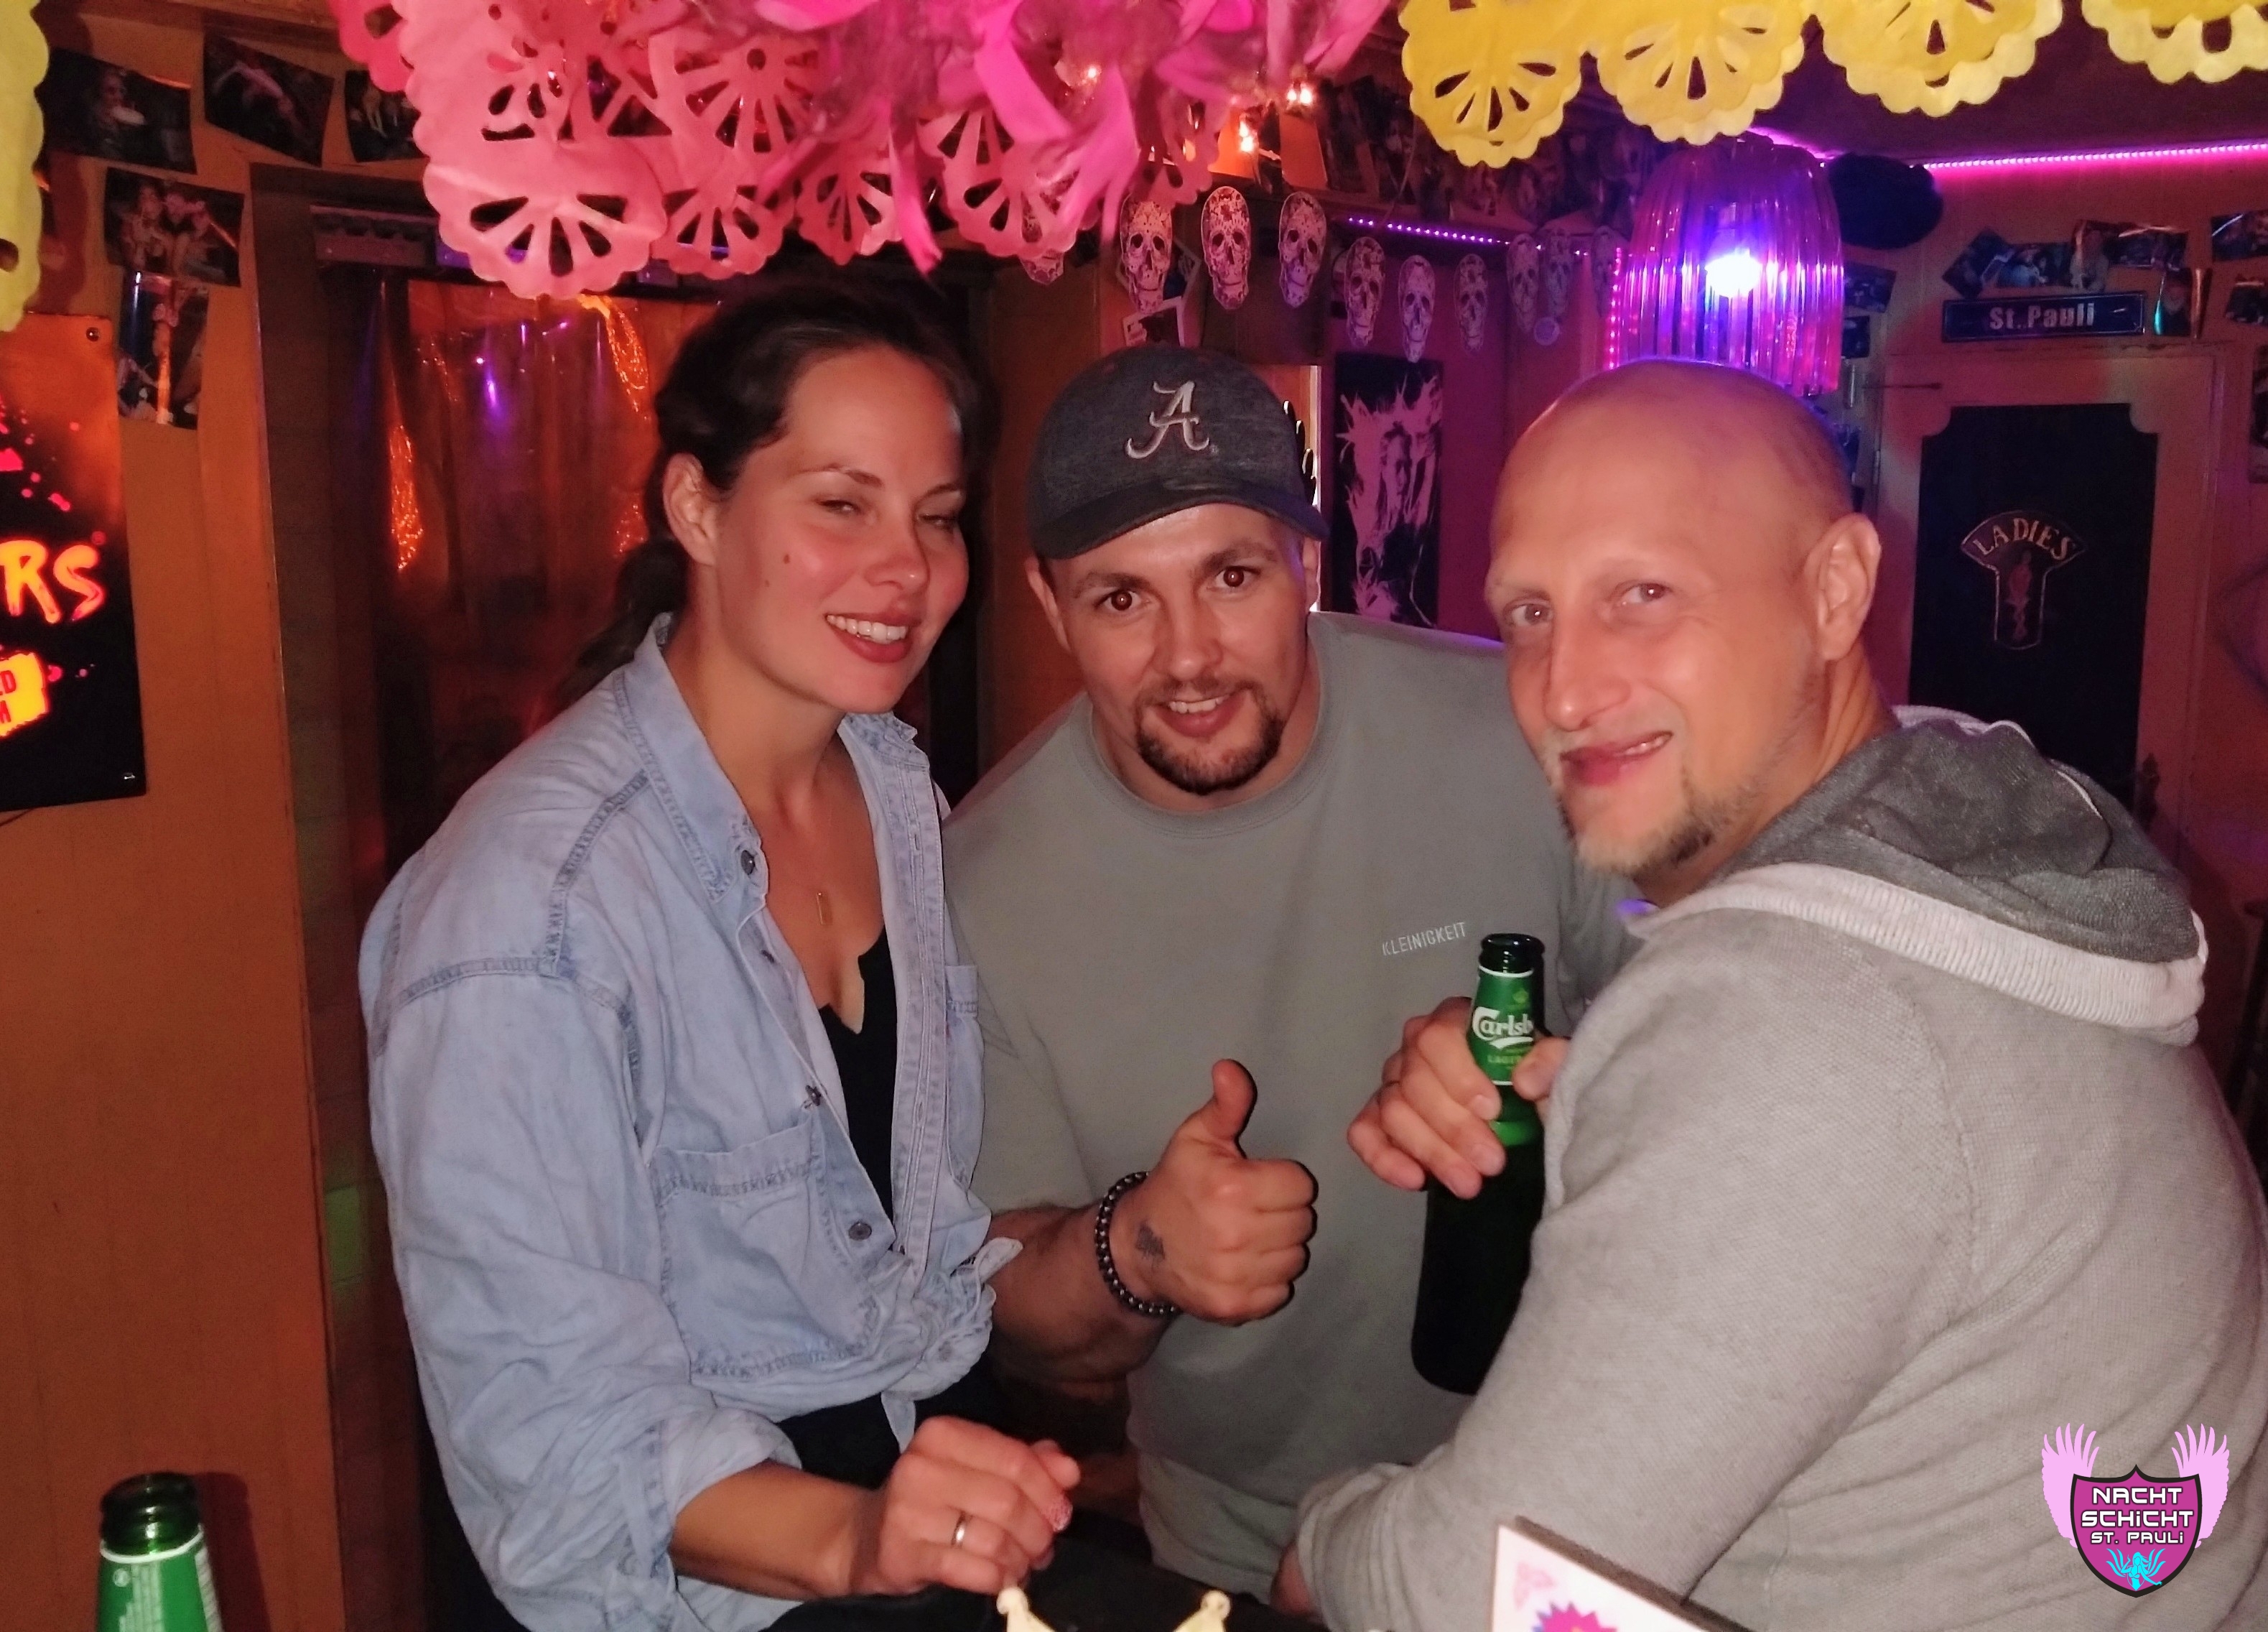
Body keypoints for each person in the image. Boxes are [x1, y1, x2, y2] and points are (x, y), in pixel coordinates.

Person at [1280, 359, 2268, 1629]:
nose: (1563, 690)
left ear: (1834, 590)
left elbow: (1472, 1599)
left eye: (1642, 595)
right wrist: (1621, 1131)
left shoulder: (1791, 1008)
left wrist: (1314, 1544)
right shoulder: (1975, 868)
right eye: (1528, 614)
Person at [361, 285, 1079, 1632]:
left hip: (931, 1510)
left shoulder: (896, 792)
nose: (908, 569)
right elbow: (552, 1443)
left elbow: (902, 1248)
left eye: (935, 516)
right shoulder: (525, 909)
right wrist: (856, 1535)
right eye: (841, 504)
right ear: (695, 509)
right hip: (707, 1580)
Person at [944, 348, 1633, 1596]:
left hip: (1581, 1488)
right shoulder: (978, 886)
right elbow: (1011, 1309)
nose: (1188, 657)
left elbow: (1730, 1063)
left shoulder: (1523, 730)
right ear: (1048, 605)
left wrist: (1559, 1087)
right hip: (1245, 1534)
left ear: (1305, 564)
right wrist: (1136, 1249)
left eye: (1231, 576)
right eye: (1120, 599)